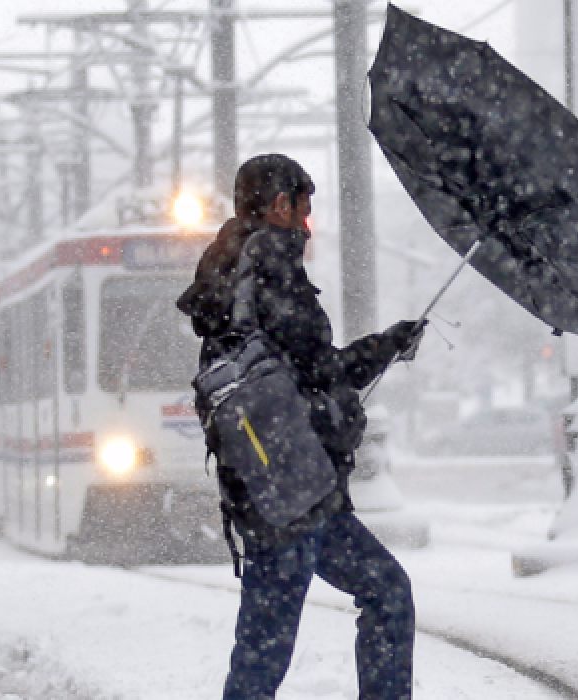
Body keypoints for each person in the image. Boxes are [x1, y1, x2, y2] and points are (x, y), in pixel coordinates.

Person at [177, 154, 425, 700]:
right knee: (264, 653)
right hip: (288, 491)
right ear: (281, 205)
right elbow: (319, 368)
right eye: (304, 210)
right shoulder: (268, 265)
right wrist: (387, 346)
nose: (307, 226)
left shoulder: (228, 269)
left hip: (283, 485)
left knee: (384, 592)